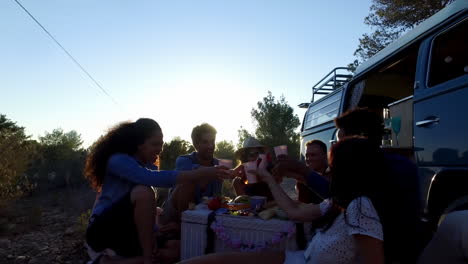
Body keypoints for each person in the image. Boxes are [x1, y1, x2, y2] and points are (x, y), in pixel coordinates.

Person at [180, 137, 400, 264]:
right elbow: (294, 212)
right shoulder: (341, 200)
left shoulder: (361, 206)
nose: (330, 169)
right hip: (299, 257)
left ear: (350, 169)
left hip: (300, 260)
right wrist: (268, 177)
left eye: (334, 164)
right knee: (222, 260)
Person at [84, 118, 232, 264]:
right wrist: (203, 172)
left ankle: (116, 262)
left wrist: (157, 229)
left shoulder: (145, 164)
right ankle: (147, 259)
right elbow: (151, 178)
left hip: (128, 233)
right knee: (144, 192)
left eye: (161, 145)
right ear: (138, 144)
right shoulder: (118, 161)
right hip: (103, 231)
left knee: (180, 248)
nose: (160, 149)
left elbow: (141, 212)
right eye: (155, 144)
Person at [160, 123, 226, 226]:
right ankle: (182, 228)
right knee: (187, 183)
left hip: (201, 215)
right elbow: (198, 172)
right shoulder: (184, 160)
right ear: (196, 144)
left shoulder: (217, 164)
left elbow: (217, 195)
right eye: (205, 142)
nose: (211, 146)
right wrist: (214, 171)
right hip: (174, 214)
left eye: (212, 141)